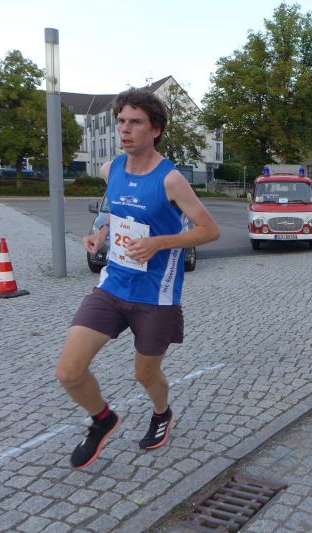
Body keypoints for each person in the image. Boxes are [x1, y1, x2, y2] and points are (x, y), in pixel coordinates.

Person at [55, 89, 220, 469]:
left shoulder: (171, 179)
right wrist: (101, 234)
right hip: (112, 286)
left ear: (155, 129)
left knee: (145, 374)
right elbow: (118, 211)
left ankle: (162, 412)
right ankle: (103, 419)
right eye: (121, 122)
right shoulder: (110, 169)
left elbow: (209, 230)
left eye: (135, 122)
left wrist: (159, 242)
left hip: (155, 295)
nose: (125, 129)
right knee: (68, 372)